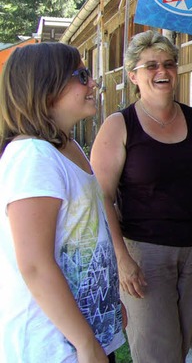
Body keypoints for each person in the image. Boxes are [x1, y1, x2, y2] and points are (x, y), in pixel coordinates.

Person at [90, 31, 192, 362]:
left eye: (169, 63)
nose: (163, 71)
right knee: (157, 354)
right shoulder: (120, 125)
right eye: (152, 65)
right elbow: (102, 197)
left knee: (180, 347)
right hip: (145, 256)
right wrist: (122, 259)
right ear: (133, 76)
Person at [0, 43, 125, 362]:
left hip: (82, 336)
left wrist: (108, 304)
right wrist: (85, 343)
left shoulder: (66, 147)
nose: (93, 83)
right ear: (45, 86)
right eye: (81, 76)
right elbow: (35, 265)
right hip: (54, 347)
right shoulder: (33, 157)